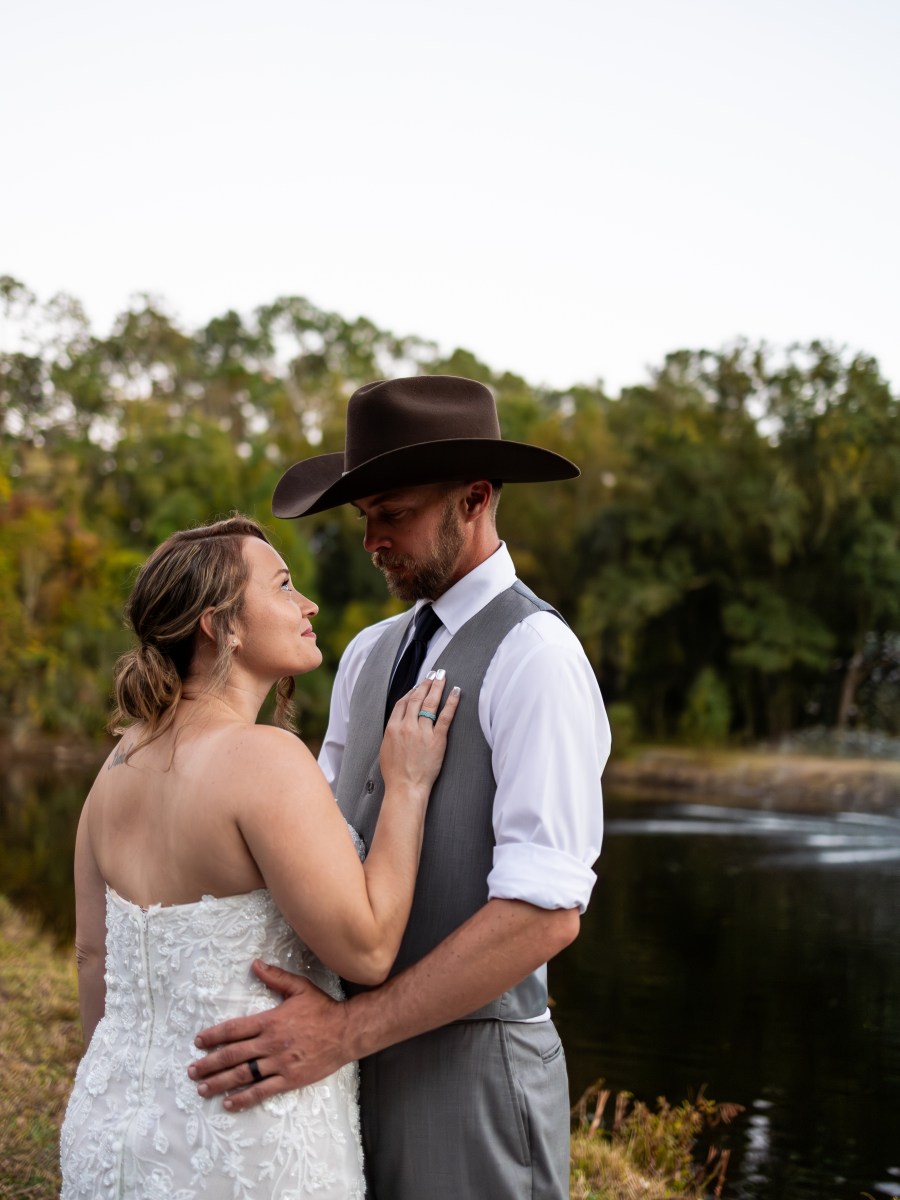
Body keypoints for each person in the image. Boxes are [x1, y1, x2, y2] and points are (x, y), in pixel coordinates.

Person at [189, 376, 610, 1199]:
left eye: (395, 512)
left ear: (475, 499)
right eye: (365, 518)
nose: (374, 540)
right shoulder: (367, 654)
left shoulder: (539, 658)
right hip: (342, 1077)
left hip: (474, 1079)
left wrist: (344, 1032)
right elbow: (317, 849)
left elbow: (545, 917)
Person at [59, 514, 459, 1200]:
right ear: (222, 626)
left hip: (108, 1132)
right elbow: (365, 951)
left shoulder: (117, 765)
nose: (309, 605)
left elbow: (93, 959)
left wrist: (126, 1089)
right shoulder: (265, 758)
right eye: (283, 585)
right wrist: (409, 789)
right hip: (243, 1144)